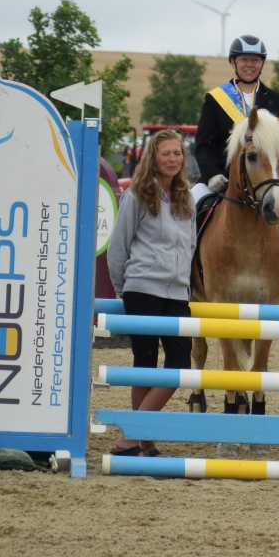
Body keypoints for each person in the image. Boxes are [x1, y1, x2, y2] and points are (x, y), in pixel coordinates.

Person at [190, 35, 279, 306]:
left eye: (255, 60)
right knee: (187, 209)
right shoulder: (215, 99)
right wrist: (213, 174)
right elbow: (203, 144)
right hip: (223, 180)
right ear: (233, 63)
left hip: (270, 179)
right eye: (244, 59)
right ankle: (186, 278)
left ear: (262, 64)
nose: (250, 64)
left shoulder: (277, 99)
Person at [107, 129, 197, 458]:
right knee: (144, 363)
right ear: (153, 158)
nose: (172, 159)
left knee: (179, 365)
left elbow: (191, 246)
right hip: (142, 288)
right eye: (166, 154)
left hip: (176, 293)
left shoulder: (187, 197)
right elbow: (117, 248)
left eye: (177, 153)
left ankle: (132, 435)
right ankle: (143, 443)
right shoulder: (137, 195)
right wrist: (124, 291)